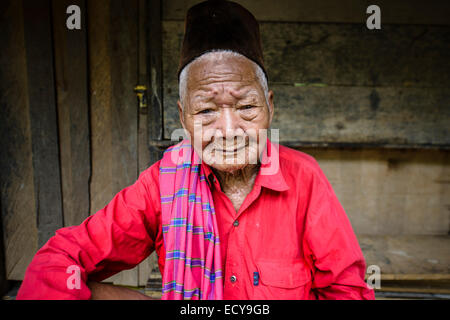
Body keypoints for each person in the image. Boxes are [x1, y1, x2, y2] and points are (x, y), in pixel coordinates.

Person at [17, 0, 374, 300]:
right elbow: (57, 261)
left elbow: (348, 290)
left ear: (269, 106)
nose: (230, 130)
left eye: (247, 107)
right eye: (206, 111)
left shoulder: (304, 179)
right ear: (183, 117)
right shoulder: (162, 184)